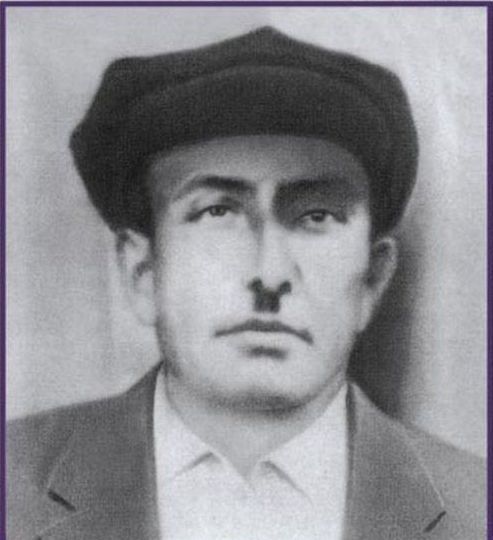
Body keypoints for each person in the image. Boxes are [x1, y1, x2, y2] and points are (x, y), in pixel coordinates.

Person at [7, 26, 485, 540]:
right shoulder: (13, 487)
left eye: (316, 215)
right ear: (142, 272)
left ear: (371, 279)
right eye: (218, 211)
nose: (270, 275)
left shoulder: (477, 511)